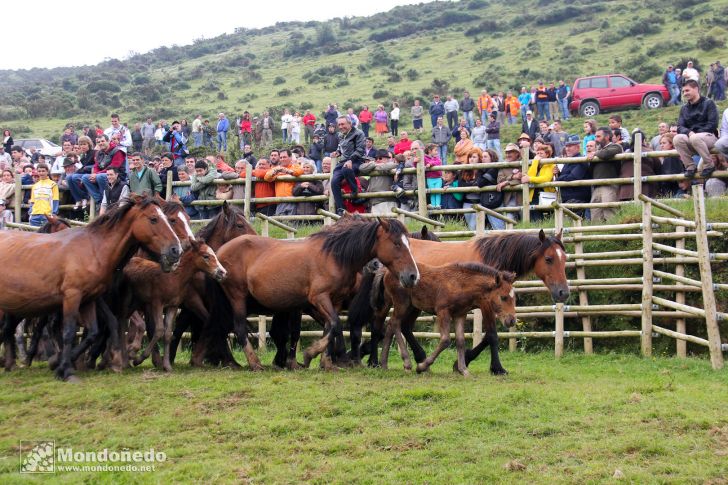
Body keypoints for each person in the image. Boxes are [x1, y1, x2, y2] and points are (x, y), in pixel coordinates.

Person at [673, 79, 719, 178]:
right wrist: (689, 133)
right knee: (677, 138)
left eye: (687, 90)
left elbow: (712, 124)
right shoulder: (684, 108)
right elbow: (680, 127)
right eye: (683, 91)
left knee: (695, 138)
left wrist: (695, 134)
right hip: (692, 138)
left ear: (696, 89)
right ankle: (690, 167)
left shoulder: (709, 103)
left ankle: (709, 165)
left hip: (709, 137)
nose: (685, 93)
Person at [331, 116, 366, 214]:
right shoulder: (340, 135)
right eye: (339, 125)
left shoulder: (359, 133)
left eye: (343, 124)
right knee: (334, 181)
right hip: (343, 161)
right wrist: (337, 152)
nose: (341, 126)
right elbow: (341, 148)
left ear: (350, 124)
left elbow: (360, 149)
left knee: (346, 169)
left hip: (356, 160)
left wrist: (351, 160)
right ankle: (341, 209)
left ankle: (355, 195)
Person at [588, 127, 623, 222]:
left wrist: (595, 153)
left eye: (599, 136)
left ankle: (614, 233)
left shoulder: (616, 147)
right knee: (595, 212)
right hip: (597, 186)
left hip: (610, 185)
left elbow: (606, 154)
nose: (596, 139)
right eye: (595, 136)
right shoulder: (598, 151)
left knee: (610, 211)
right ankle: (598, 235)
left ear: (607, 137)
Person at [82, 135, 126, 205]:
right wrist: (94, 174)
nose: (100, 143)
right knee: (85, 178)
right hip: (102, 175)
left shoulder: (117, 151)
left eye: (102, 141)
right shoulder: (99, 153)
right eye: (99, 142)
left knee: (100, 177)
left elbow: (114, 167)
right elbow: (96, 166)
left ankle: (107, 199)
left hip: (118, 175)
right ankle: (100, 201)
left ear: (108, 141)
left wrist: (96, 174)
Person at [553, 135, 591, 209]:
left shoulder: (581, 160)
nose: (567, 149)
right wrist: (559, 173)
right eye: (566, 146)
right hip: (568, 198)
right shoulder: (569, 160)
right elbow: (567, 175)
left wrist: (558, 179)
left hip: (578, 199)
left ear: (578, 147)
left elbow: (572, 177)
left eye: (570, 146)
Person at [265, 149, 304, 216]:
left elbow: (299, 171)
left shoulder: (295, 166)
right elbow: (267, 177)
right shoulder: (277, 168)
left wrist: (286, 171)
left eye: (284, 157)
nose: (282, 159)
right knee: (279, 224)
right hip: (280, 200)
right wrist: (276, 171)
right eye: (281, 157)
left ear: (290, 157)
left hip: (292, 200)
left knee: (292, 223)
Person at [359, 149, 397, 215]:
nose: (378, 160)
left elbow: (393, 165)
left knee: (391, 223)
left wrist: (376, 166)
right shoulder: (373, 166)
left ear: (387, 159)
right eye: (376, 158)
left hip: (388, 201)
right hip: (374, 202)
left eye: (380, 158)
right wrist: (374, 164)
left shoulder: (391, 165)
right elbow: (361, 168)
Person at [459, 148, 483, 230]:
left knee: (474, 226)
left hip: (479, 203)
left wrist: (469, 185)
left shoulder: (482, 170)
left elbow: (481, 184)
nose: (471, 159)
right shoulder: (465, 170)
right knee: (470, 226)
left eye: (474, 157)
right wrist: (474, 185)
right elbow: (461, 185)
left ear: (479, 158)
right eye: (470, 157)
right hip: (467, 203)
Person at [422, 143, 443, 208]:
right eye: (435, 150)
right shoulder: (425, 158)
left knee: (438, 191)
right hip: (430, 178)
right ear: (429, 151)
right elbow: (423, 163)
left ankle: (437, 205)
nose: (437, 152)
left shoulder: (437, 158)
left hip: (438, 178)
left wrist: (431, 164)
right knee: (432, 192)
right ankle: (433, 205)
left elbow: (438, 162)